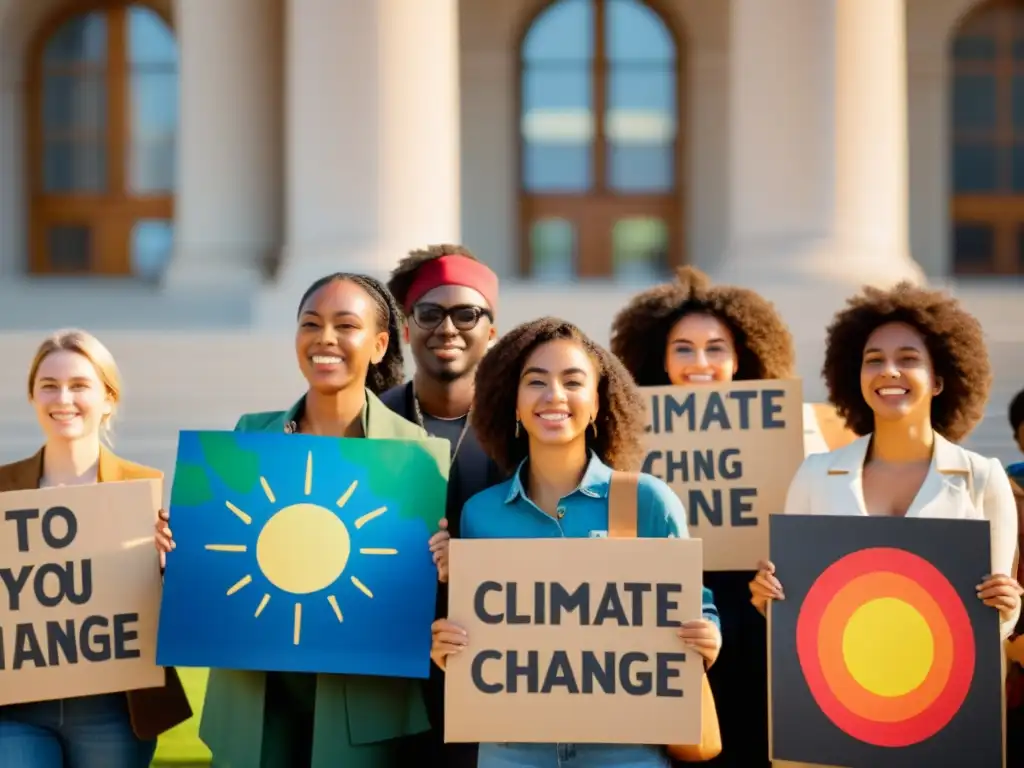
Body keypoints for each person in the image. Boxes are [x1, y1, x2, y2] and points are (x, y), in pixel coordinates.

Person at [154, 274, 449, 768]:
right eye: (310, 323)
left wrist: (443, 558)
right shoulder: (251, 436)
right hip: (258, 688)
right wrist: (176, 543)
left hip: (362, 696)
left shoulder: (415, 455)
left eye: (345, 325)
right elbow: (218, 557)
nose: (325, 338)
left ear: (379, 345)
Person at [429, 318, 721, 768]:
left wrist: (708, 637)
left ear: (596, 402)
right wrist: (451, 650)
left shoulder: (647, 501)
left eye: (572, 381)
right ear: (514, 403)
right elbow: (480, 641)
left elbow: (698, 611)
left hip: (627, 752)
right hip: (512, 754)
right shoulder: (479, 514)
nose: (554, 396)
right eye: (536, 382)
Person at [751, 281, 1021, 635]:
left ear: (939, 380)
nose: (889, 370)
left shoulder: (982, 478)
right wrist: (768, 600)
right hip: (837, 684)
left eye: (908, 359)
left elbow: (995, 626)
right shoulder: (814, 476)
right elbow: (796, 618)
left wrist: (1007, 608)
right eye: (874, 360)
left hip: (943, 685)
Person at [610, 265, 794, 768]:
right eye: (683, 349)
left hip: (755, 619)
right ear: (660, 360)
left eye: (716, 348)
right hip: (672, 621)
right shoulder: (624, 444)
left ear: (740, 359)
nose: (700, 363)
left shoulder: (785, 442)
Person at [0, 329, 192, 767]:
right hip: (15, 709)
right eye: (48, 385)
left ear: (108, 398)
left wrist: (168, 565)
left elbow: (171, 607)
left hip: (113, 710)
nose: (62, 398)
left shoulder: (142, 487)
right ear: (32, 397)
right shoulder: (2, 489)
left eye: (79, 385)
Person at [381, 245, 503, 767]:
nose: (447, 328)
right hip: (385, 655)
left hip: (496, 655)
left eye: (466, 313)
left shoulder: (521, 428)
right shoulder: (369, 425)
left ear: (491, 330)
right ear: (407, 329)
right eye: (429, 313)